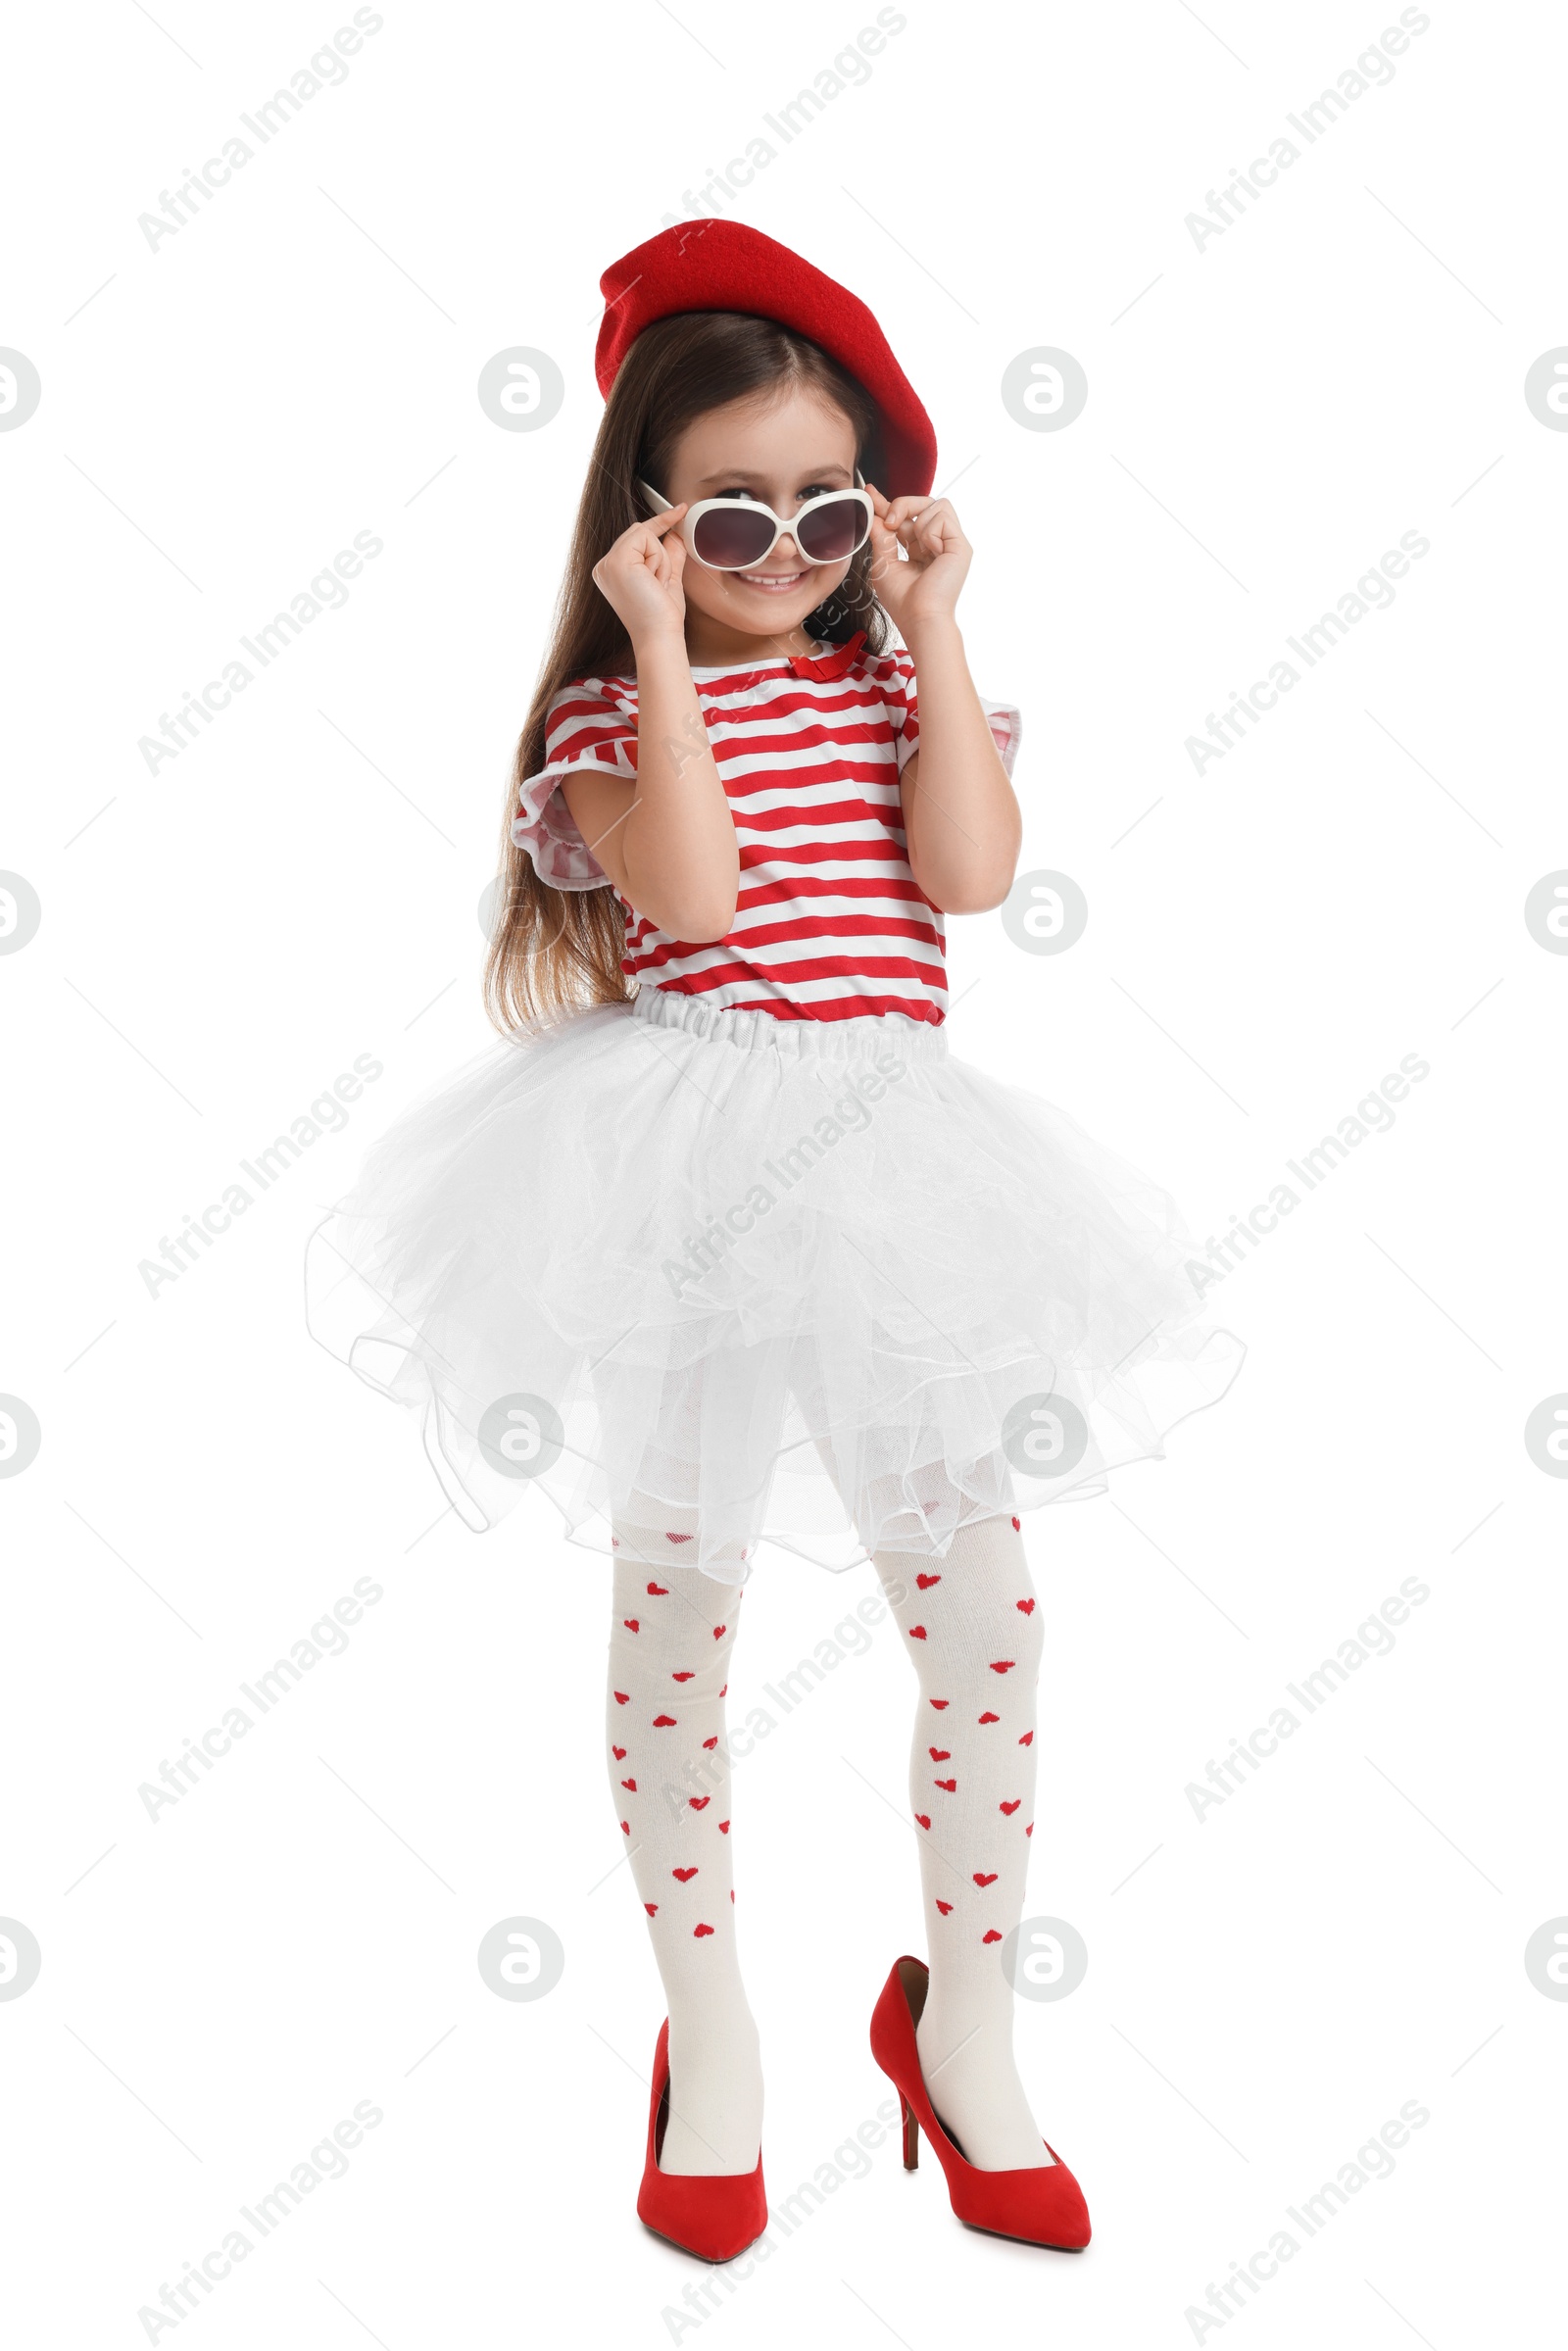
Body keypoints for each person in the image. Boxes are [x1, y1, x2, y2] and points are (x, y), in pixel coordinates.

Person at [308, 220, 1242, 2262]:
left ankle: (962, 2024)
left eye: (826, 504)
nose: (789, 546)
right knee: (681, 1611)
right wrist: (648, 647)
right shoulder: (604, 727)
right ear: (646, 520)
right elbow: (703, 908)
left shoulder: (890, 672)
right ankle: (710, 2039)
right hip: (682, 1167)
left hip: (901, 1171)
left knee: (981, 1615)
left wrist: (934, 628)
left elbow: (973, 880)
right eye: (731, 514)